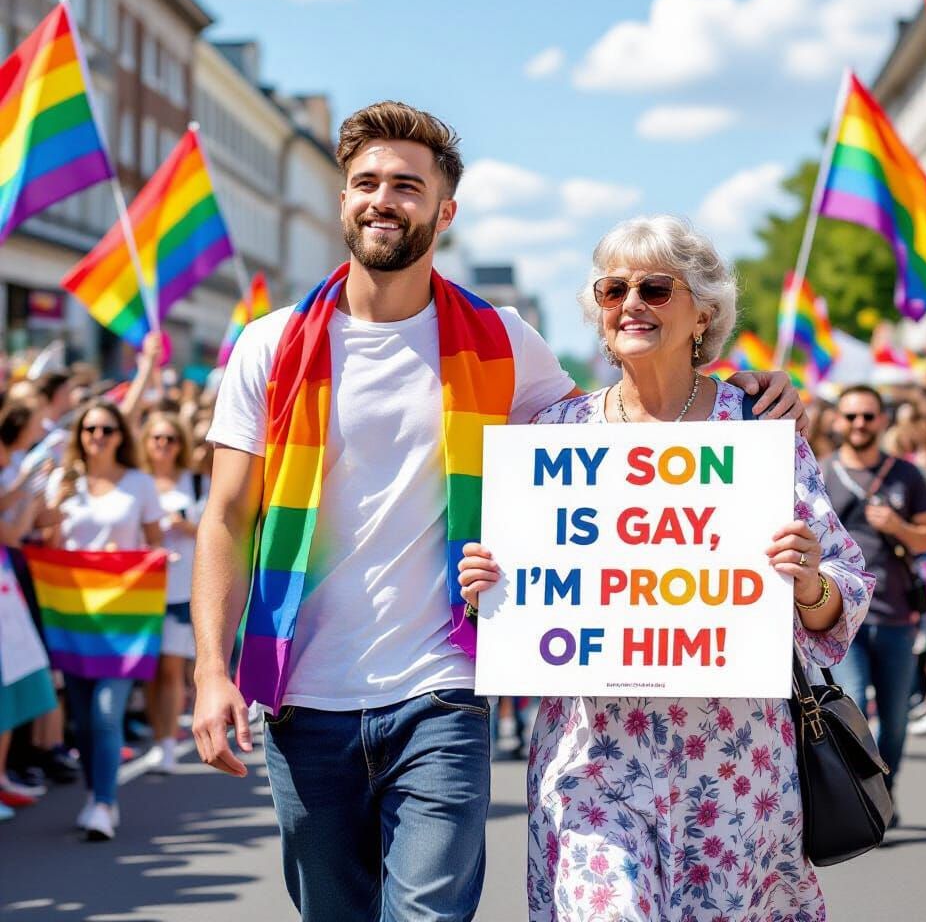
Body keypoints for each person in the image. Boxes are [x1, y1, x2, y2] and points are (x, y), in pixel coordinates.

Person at [191, 102, 808, 922]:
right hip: (302, 695)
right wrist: (208, 669)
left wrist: (728, 387)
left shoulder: (503, 339)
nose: (384, 199)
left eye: (407, 186)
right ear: (343, 201)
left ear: (445, 211)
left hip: (442, 690)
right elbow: (227, 516)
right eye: (366, 183)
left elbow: (620, 435)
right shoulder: (270, 346)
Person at [459, 214, 873, 921]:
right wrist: (487, 592)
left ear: (703, 312)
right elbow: (529, 591)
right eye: (613, 289)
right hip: (593, 762)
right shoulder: (555, 436)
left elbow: (845, 587)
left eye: (655, 288)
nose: (631, 305)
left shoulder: (757, 430)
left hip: (735, 771)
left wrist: (809, 584)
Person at [44, 399, 163, 840]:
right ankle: (96, 796)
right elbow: (48, 544)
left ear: (120, 436)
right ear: (80, 436)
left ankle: (104, 803)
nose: (98, 437)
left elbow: (153, 545)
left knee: (106, 714)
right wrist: (54, 507)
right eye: (90, 430)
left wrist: (134, 562)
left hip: (122, 619)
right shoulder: (63, 483)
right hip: (73, 617)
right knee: (80, 716)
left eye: (107, 430)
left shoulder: (139, 484)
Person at [826, 385, 926, 813]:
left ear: (883, 421)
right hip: (839, 617)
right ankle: (864, 797)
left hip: (895, 614)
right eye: (851, 416)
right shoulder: (821, 471)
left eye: (868, 416)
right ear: (838, 421)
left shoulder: (906, 476)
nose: (859, 424)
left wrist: (897, 526)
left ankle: (887, 791)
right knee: (851, 705)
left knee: (894, 719)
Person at [140, 412, 200, 775]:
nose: (163, 445)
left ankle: (166, 743)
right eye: (156, 438)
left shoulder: (195, 482)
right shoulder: (138, 481)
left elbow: (217, 529)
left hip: (181, 589)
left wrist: (185, 526)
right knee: (148, 669)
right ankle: (158, 736)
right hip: (142, 590)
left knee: (171, 667)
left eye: (170, 439)